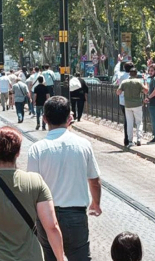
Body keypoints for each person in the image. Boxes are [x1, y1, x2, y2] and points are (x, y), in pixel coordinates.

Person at [0, 127, 65, 261]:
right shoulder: (35, 182)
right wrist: (60, 258)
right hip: (29, 256)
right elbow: (52, 227)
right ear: (18, 152)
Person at [27, 96, 102, 261]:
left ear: (44, 118)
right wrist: (96, 203)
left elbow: (32, 188)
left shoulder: (36, 149)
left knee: (50, 257)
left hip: (46, 215)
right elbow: (94, 180)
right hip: (75, 216)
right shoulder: (83, 145)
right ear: (70, 118)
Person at [117, 67, 144, 147]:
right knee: (139, 122)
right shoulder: (139, 82)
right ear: (136, 74)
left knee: (129, 123)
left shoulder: (124, 82)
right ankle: (139, 139)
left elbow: (118, 92)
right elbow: (146, 90)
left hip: (127, 105)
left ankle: (130, 141)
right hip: (137, 104)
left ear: (129, 74)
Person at [113, 54, 134, 146]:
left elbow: (115, 71)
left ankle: (127, 139)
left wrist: (119, 61)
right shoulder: (134, 76)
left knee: (127, 120)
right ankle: (132, 138)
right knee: (134, 120)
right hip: (134, 101)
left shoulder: (121, 76)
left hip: (123, 101)